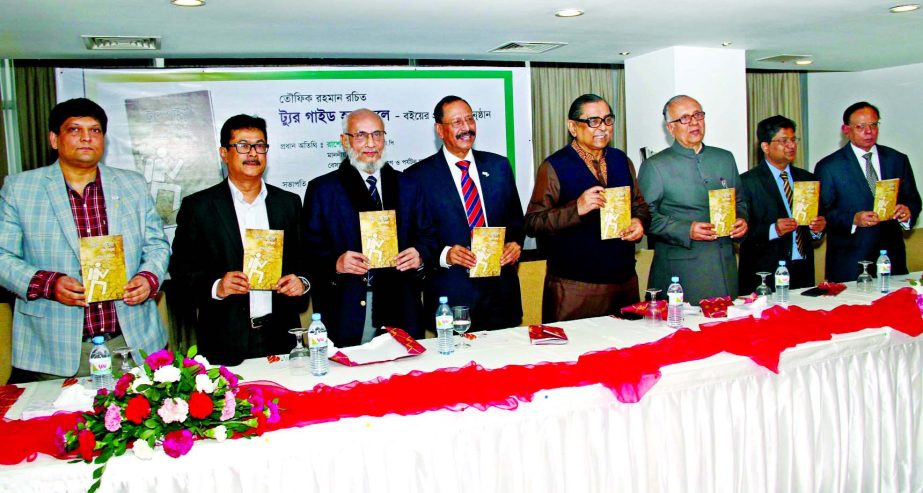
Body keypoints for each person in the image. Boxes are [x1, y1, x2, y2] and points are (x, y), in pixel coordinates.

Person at [0, 98, 169, 380]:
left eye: (95, 130)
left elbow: (156, 245)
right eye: (75, 130)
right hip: (55, 348)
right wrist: (48, 284)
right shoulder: (20, 188)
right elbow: (3, 256)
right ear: (54, 139)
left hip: (130, 342)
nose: (86, 138)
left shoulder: (132, 184)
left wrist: (149, 277)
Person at [169, 114, 308, 366]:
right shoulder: (199, 207)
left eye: (260, 145)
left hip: (281, 336)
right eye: (242, 146)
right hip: (225, 339)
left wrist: (302, 282)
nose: (253, 153)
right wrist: (217, 287)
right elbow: (180, 272)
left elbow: (304, 261)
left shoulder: (288, 203)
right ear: (224, 153)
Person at [302, 109, 428, 347]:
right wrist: (335, 264)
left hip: (402, 305)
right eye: (361, 135)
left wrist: (419, 255)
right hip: (347, 307)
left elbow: (428, 235)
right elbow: (308, 250)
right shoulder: (323, 190)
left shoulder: (408, 185)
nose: (371, 144)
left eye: (377, 135)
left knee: (407, 379)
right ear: (344, 140)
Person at [524, 94, 649, 322]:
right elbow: (533, 222)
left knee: (630, 354)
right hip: (575, 287)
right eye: (593, 121)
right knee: (574, 355)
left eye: (608, 120)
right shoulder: (554, 166)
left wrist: (638, 222)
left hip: (624, 282)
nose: (602, 128)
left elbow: (640, 206)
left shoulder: (621, 160)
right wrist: (577, 208)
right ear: (573, 127)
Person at [403, 95, 524, 331]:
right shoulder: (417, 177)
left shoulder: (499, 166)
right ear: (440, 129)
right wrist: (444, 254)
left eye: (470, 119)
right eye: (457, 122)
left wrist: (514, 244)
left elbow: (516, 220)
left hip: (501, 295)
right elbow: (413, 237)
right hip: (452, 298)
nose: (466, 128)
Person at [638, 95, 749, 303]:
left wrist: (742, 221)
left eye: (698, 115)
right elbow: (644, 216)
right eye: (685, 118)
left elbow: (740, 202)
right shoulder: (655, 166)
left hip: (726, 267)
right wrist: (685, 229)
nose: (694, 122)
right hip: (681, 271)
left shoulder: (724, 158)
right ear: (670, 128)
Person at [814, 102, 921, 282]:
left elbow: (913, 200)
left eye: (873, 125)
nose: (869, 131)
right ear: (846, 129)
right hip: (849, 263)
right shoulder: (829, 166)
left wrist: (907, 213)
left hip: (891, 259)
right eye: (861, 126)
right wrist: (853, 219)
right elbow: (822, 214)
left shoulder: (897, 159)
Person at [739, 115, 826, 294]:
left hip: (802, 270)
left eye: (794, 140)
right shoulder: (747, 182)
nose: (792, 145)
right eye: (784, 140)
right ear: (765, 146)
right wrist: (773, 230)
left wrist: (817, 229)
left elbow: (819, 222)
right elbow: (740, 234)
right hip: (765, 275)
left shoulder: (807, 178)